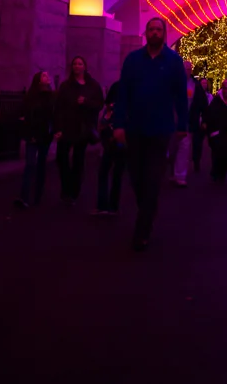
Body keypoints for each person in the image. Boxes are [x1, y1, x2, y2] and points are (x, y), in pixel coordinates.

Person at [113, 17, 188, 251]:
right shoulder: (133, 60)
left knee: (153, 179)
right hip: (135, 127)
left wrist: (183, 125)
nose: (155, 33)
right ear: (146, 33)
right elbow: (123, 93)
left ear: (164, 34)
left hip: (161, 129)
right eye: (151, 29)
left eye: (159, 30)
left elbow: (181, 96)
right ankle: (146, 209)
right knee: (136, 177)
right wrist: (118, 125)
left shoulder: (174, 62)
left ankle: (142, 230)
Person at [54, 56, 104, 206]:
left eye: (80, 63)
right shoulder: (66, 86)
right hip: (67, 126)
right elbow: (59, 108)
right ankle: (66, 186)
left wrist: (87, 102)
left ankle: (73, 191)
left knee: (78, 160)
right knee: (61, 158)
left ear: (84, 66)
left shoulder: (92, 85)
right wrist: (57, 128)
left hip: (83, 128)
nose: (77, 66)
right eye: (75, 63)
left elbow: (100, 104)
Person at [15, 71, 55, 209]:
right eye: (44, 75)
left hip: (44, 135)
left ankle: (37, 194)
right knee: (30, 163)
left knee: (41, 164)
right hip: (32, 134)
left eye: (47, 76)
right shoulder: (31, 97)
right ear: (38, 80)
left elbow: (53, 116)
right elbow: (24, 115)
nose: (47, 77)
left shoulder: (51, 97)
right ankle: (24, 196)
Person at [171, 59, 209, 184]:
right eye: (185, 69)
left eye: (189, 69)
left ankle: (180, 175)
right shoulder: (174, 83)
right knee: (172, 148)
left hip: (187, 121)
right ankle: (173, 172)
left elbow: (203, 103)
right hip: (173, 120)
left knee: (184, 147)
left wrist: (203, 118)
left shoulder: (195, 85)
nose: (187, 71)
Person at [93, 79, 126, 216]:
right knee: (113, 172)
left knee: (110, 172)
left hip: (119, 139)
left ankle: (106, 205)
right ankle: (110, 205)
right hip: (117, 139)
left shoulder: (121, 87)